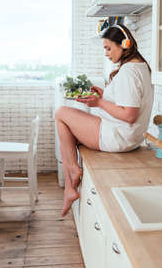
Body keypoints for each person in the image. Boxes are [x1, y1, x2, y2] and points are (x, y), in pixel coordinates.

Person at [55, 24, 154, 216]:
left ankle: (71, 177)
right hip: (128, 137)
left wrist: (99, 103)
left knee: (61, 113)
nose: (106, 54)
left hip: (118, 137)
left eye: (109, 48)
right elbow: (127, 102)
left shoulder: (129, 71)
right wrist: (105, 94)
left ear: (125, 44)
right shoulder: (140, 67)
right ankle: (70, 182)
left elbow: (129, 115)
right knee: (66, 129)